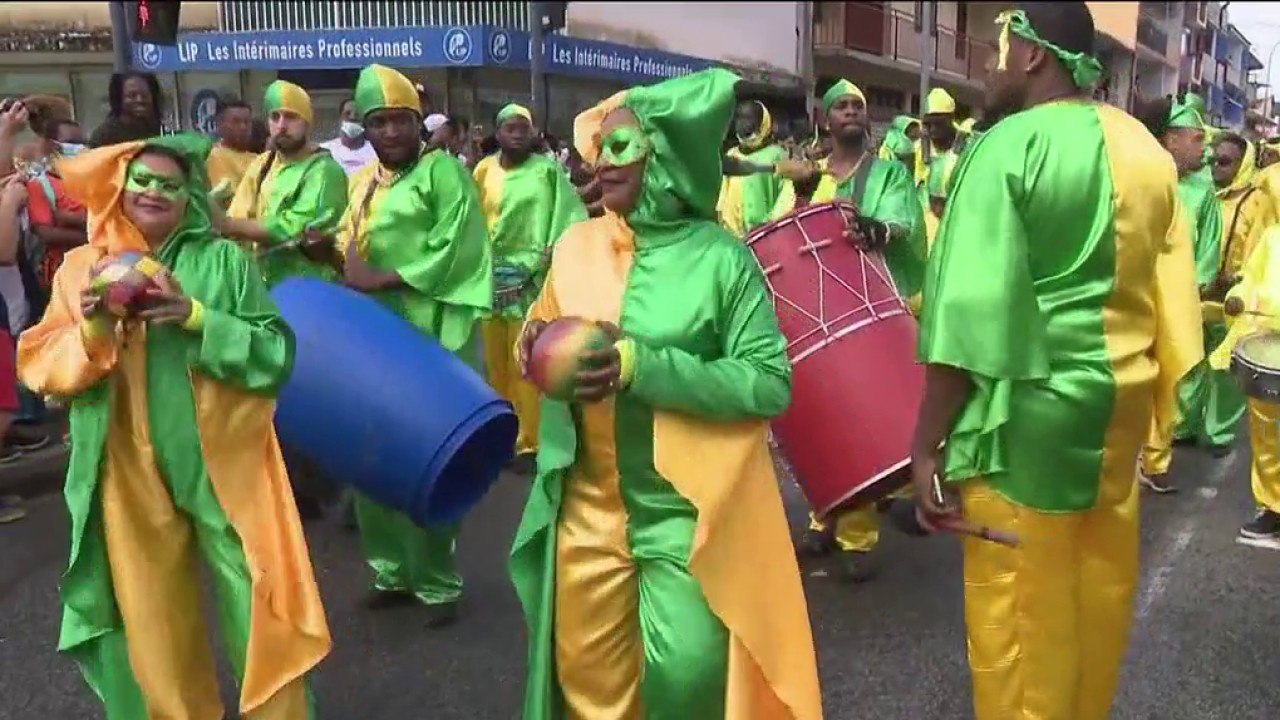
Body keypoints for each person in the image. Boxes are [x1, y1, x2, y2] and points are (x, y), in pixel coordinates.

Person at [910, 6, 1201, 719]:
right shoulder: (1147, 152)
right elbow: (1171, 296)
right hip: (1114, 425)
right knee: (1092, 610)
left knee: (1019, 633)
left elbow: (968, 322)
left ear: (1035, 56)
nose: (987, 62)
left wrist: (924, 445)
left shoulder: (1007, 148)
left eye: (997, 47)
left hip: (1024, 433)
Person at [510, 66, 821, 720]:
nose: (600, 158)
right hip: (587, 510)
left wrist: (643, 365)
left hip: (686, 517)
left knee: (690, 678)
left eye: (622, 146)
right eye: (601, 145)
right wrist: (532, 340)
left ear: (669, 155)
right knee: (589, 686)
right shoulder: (576, 244)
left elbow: (769, 382)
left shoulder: (722, 260)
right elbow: (542, 323)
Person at [17, 132, 329, 719]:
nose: (155, 192)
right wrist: (93, 330)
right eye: (143, 181)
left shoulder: (225, 262)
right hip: (126, 469)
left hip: (226, 466)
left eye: (170, 184)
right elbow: (39, 360)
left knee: (259, 600)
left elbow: (275, 355)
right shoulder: (84, 268)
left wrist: (198, 318)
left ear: (190, 197)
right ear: (120, 187)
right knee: (150, 616)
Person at [336, 64, 491, 628]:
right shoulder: (361, 184)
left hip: (430, 340)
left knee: (428, 460)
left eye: (399, 121)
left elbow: (458, 249)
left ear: (416, 123)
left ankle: (436, 580)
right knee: (373, 458)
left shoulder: (443, 174)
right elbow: (345, 248)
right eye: (378, 122)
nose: (390, 133)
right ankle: (391, 571)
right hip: (372, 342)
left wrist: (381, 278)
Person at [769, 78, 925, 581]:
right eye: (843, 106)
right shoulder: (811, 175)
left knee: (858, 416)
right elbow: (780, 228)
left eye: (859, 105)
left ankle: (858, 535)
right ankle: (824, 518)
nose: (853, 112)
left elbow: (903, 221)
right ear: (827, 118)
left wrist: (877, 229)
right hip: (816, 314)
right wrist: (798, 192)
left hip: (868, 309)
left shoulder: (888, 174)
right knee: (826, 413)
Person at [473, 104, 586, 463]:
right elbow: (470, 218)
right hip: (490, 276)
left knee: (527, 356)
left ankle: (530, 440)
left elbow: (568, 217)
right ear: (498, 132)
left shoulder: (548, 172)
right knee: (494, 361)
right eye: (510, 127)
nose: (518, 133)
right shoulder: (482, 170)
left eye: (524, 127)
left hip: (532, 276)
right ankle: (499, 433)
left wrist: (544, 262)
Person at [1137, 96, 1231, 493]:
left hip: (1176, 300)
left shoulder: (1201, 192)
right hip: (1134, 296)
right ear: (1170, 139)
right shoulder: (1138, 175)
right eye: (1195, 139)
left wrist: (1192, 291)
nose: (1203, 149)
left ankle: (1155, 460)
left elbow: (1208, 248)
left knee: (1171, 374)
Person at [222, 80, 348, 288]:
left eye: (291, 117)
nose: (281, 126)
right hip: (263, 288)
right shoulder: (263, 164)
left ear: (307, 122)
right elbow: (238, 214)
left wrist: (228, 225)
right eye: (275, 117)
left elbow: (292, 229)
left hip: (311, 290)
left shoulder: (324, 170)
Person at [1214, 226, 1280, 547]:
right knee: (1267, 439)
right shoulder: (1272, 238)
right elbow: (1249, 281)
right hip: (1265, 351)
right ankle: (1273, 509)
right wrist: (1235, 299)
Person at [717, 100, 789, 237]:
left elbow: (786, 195)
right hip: (732, 237)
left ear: (763, 122)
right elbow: (723, 195)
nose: (742, 124)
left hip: (764, 237)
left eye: (748, 118)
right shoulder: (731, 155)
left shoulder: (777, 155)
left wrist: (770, 224)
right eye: (739, 118)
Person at [88, 72, 166, 148]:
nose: (140, 100)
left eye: (145, 95)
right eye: (132, 95)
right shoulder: (104, 135)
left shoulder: (153, 127)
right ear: (119, 99)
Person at [206, 98, 257, 205]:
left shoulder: (258, 158)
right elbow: (232, 199)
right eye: (236, 122)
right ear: (219, 125)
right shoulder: (217, 155)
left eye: (247, 122)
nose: (243, 127)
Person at [320, 97, 379, 177]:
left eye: (357, 114)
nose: (352, 117)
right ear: (340, 118)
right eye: (347, 113)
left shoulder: (377, 150)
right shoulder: (325, 150)